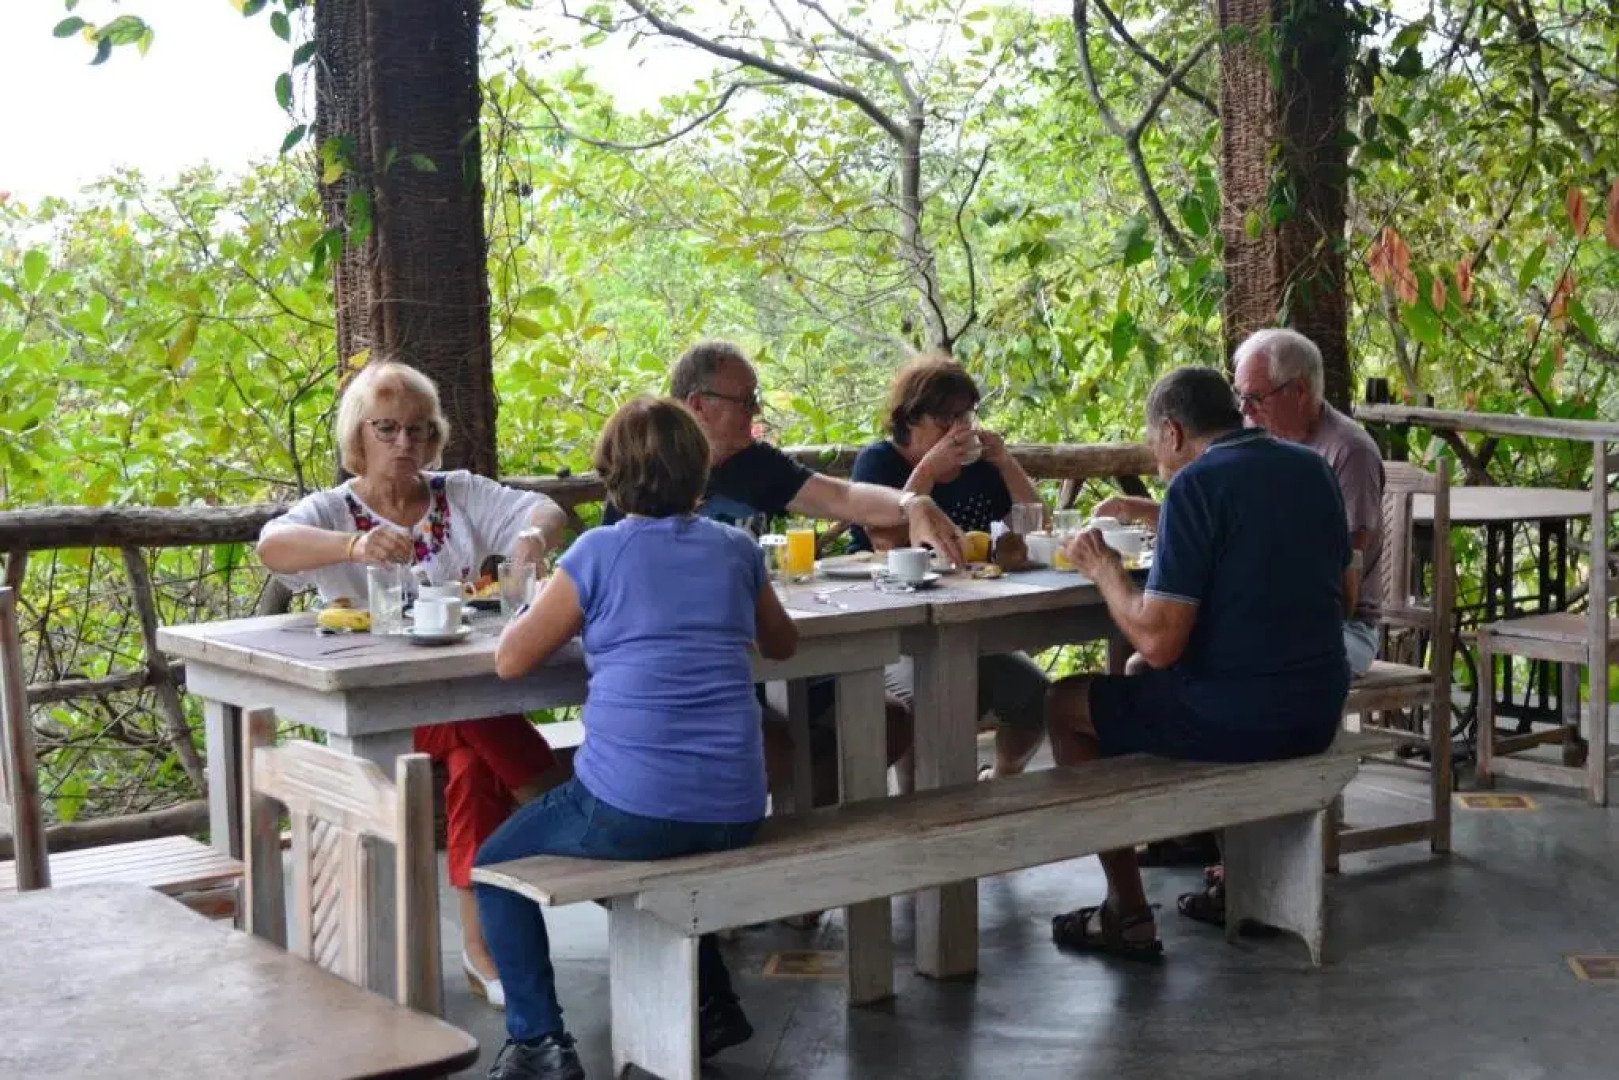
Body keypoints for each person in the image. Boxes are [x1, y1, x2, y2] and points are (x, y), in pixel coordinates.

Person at [477, 396, 799, 1080]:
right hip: (737, 807)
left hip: (634, 808)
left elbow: (511, 660)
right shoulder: (736, 549)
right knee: (641, 860)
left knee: (497, 866)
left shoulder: (597, 552)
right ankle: (712, 1001)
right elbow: (781, 644)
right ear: (700, 474)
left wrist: (549, 607)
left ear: (610, 477)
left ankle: (538, 1042)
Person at [257, 360, 568, 1010]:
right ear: (359, 435)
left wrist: (530, 541)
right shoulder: (334, 509)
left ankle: (480, 948)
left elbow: (544, 509)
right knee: (473, 722)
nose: (405, 443)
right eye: (388, 428)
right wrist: (350, 549)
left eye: (420, 430)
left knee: (471, 767)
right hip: (382, 715)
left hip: (468, 701)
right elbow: (272, 546)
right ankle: (545, 792)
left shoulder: (458, 493)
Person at [1045, 367, 1352, 960]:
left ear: (1173, 431)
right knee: (1139, 678)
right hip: (1317, 710)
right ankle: (1224, 869)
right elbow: (1345, 591)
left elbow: (1159, 641)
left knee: (1065, 703)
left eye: (1153, 442)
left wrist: (1105, 570)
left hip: (1242, 719)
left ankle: (1127, 913)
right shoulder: (1310, 467)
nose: (1155, 456)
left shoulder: (1196, 484)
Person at [605, 339, 968, 804]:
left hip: (768, 646)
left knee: (889, 718)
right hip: (694, 676)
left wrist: (912, 502)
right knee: (770, 750)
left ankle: (804, 825)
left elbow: (842, 497)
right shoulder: (645, 480)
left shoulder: (756, 463)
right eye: (746, 400)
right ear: (698, 405)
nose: (756, 410)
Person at [1099, 328, 1383, 676]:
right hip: (1272, 621)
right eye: (1240, 398)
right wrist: (1141, 510)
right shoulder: (1272, 454)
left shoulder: (1345, 452)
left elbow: (1342, 574)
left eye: (1256, 398)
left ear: (1299, 390)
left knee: (1155, 654)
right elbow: (1238, 529)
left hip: (1340, 628)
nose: (1245, 411)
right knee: (1146, 660)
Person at [850, 354, 1051, 779]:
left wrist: (1005, 461)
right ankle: (917, 801)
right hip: (892, 630)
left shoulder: (978, 469)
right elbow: (885, 542)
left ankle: (999, 779)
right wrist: (927, 471)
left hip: (968, 622)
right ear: (911, 418)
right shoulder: (880, 461)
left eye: (966, 415)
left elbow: (1036, 523)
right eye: (946, 418)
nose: (959, 428)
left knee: (1037, 697)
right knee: (933, 701)